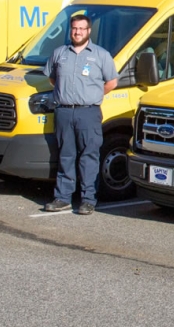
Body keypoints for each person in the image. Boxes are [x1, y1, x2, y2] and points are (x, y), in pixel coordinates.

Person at [41, 15, 119, 215]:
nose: (77, 32)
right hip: (64, 112)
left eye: (82, 29)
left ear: (89, 31)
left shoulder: (101, 55)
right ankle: (63, 198)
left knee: (89, 156)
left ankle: (88, 199)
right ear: (71, 30)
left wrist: (92, 94)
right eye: (75, 28)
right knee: (65, 155)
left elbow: (111, 83)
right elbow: (52, 79)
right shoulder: (59, 53)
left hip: (88, 113)